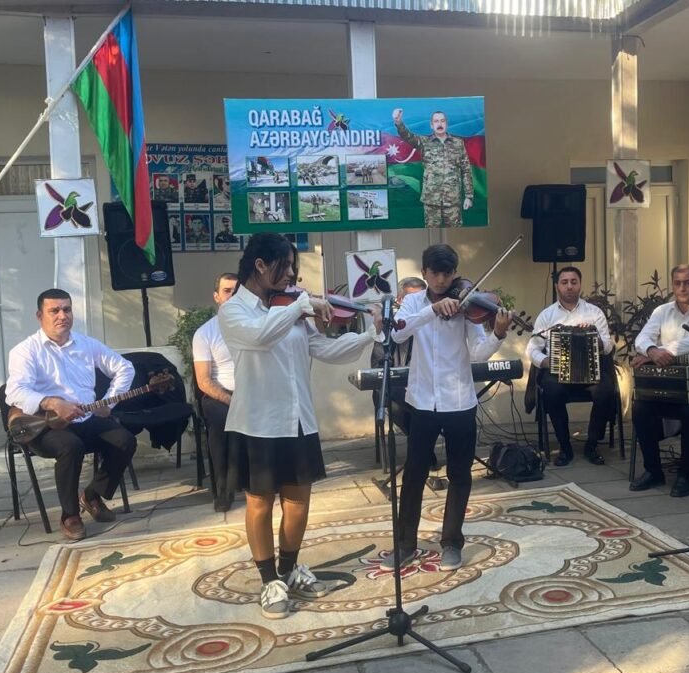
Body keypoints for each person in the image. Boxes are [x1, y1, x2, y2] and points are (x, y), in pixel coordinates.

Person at [218, 233, 382, 619]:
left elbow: (323, 349)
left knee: (298, 503)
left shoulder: (290, 308)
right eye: (287, 265)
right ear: (261, 265)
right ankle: (268, 581)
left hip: (298, 419)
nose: (293, 274)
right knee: (260, 503)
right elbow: (260, 337)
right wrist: (301, 306)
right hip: (257, 422)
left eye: (293, 266)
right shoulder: (234, 311)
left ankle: (290, 570)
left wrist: (369, 334)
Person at [379, 244, 512, 573]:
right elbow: (398, 334)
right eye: (435, 273)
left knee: (460, 474)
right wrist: (433, 310)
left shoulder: (466, 304)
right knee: (414, 474)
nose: (441, 280)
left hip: (459, 401)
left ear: (455, 273)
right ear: (424, 273)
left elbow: (478, 353)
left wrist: (498, 334)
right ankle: (405, 544)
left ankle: (451, 542)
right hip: (422, 400)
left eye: (447, 273)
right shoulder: (413, 302)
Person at [5, 288, 137, 541]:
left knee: (125, 440)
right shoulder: (25, 351)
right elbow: (15, 392)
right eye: (54, 310)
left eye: (66, 309)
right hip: (44, 424)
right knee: (71, 447)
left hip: (85, 418)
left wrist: (109, 401)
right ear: (39, 316)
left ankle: (92, 495)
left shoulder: (87, 344)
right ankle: (70, 515)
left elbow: (125, 368)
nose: (62, 315)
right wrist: (52, 402)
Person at [630, 263, 689, 498]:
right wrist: (651, 350)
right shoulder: (661, 311)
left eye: (688, 283)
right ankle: (653, 471)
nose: (682, 288)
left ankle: (686, 475)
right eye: (677, 283)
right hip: (671, 381)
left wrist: (657, 352)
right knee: (640, 408)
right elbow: (642, 338)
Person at [527, 266, 616, 467]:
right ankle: (565, 446)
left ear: (580, 285)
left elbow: (608, 345)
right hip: (558, 373)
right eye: (564, 282)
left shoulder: (594, 313)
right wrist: (547, 362)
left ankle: (592, 444)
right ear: (557, 286)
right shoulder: (547, 316)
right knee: (552, 390)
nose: (569, 286)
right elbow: (532, 348)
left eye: (573, 282)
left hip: (589, 370)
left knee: (606, 390)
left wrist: (594, 337)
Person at [192, 273, 239, 512]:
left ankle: (271, 478)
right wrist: (231, 400)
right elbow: (203, 380)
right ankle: (223, 489)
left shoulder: (256, 326)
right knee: (220, 419)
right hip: (220, 393)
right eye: (227, 291)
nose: (232, 295)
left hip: (254, 390)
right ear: (216, 297)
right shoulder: (205, 333)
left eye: (237, 291)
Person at [392, 108, 473, 228]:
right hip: (431, 201)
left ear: (447, 123)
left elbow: (466, 170)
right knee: (431, 233)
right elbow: (407, 136)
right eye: (436, 121)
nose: (439, 124)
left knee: (455, 233)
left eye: (442, 121)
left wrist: (469, 196)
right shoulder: (424, 142)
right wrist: (398, 122)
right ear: (431, 125)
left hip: (453, 201)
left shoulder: (458, 143)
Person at [369, 276, 427, 443]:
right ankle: (419, 440)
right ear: (400, 300)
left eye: (421, 298)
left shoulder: (431, 323)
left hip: (427, 385)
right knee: (396, 404)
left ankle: (423, 441)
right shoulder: (389, 327)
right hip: (399, 389)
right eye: (411, 298)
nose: (417, 303)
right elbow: (377, 364)